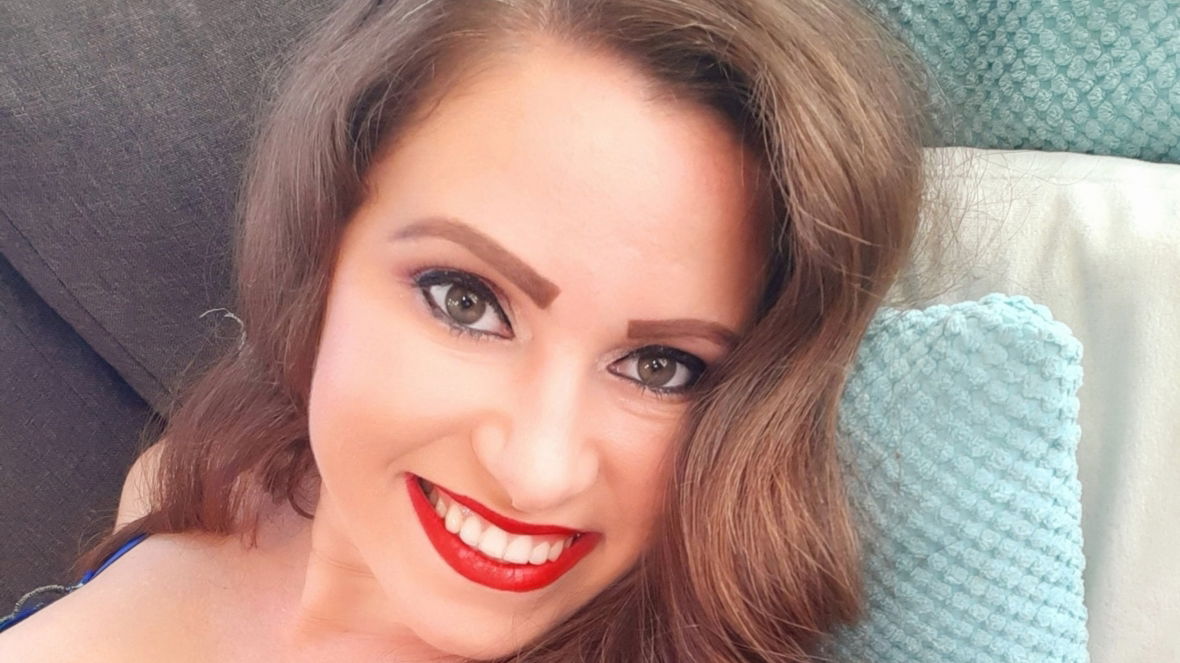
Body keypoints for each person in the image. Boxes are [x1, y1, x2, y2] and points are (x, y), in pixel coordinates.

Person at [0, 0, 940, 659]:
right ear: (321, 247)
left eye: (661, 366)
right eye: (467, 301)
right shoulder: (198, 475)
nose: (537, 469)